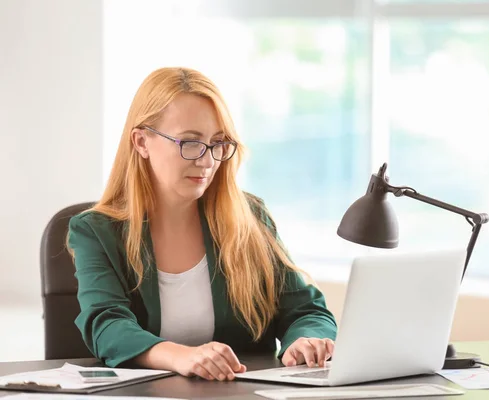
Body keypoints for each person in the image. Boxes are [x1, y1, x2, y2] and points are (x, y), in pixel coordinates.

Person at [67, 67, 337, 382]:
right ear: (141, 142)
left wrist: (305, 340)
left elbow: (306, 310)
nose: (208, 161)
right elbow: (107, 325)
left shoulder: (250, 218)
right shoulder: (96, 232)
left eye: (218, 143)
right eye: (190, 143)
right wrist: (183, 356)